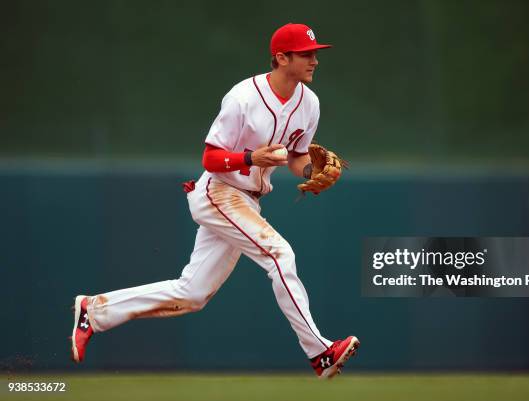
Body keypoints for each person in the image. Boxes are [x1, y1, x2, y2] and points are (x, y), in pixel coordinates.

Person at [70, 23, 359, 379]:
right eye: (306, 54)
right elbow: (210, 158)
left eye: (316, 53)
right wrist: (250, 159)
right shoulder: (242, 98)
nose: (315, 60)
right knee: (280, 255)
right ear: (282, 58)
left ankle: (94, 311)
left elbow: (297, 157)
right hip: (218, 191)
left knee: (192, 294)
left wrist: (308, 172)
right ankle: (320, 353)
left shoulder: (309, 104)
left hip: (248, 200)